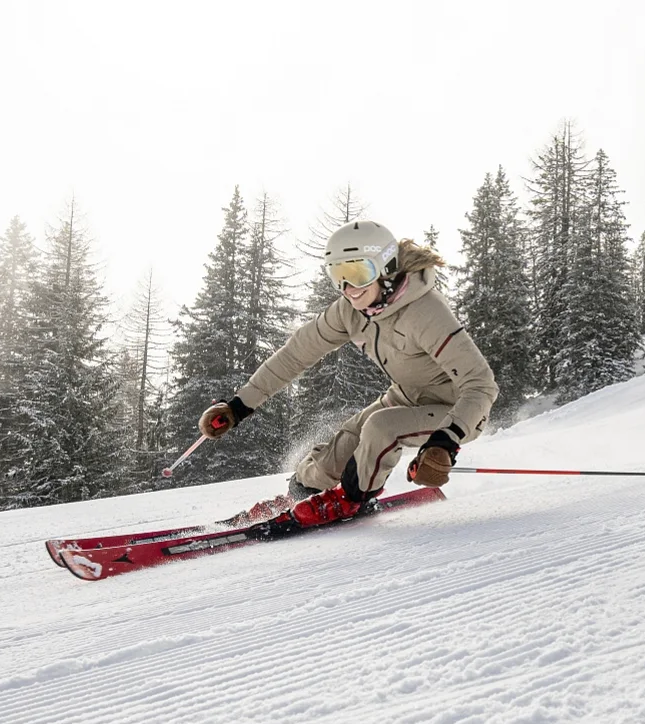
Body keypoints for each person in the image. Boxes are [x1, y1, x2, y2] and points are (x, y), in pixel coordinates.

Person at [196, 219, 499, 526]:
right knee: (333, 455)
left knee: (381, 428)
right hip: (407, 397)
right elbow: (296, 354)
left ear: (387, 268)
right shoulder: (349, 311)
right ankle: (301, 495)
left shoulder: (425, 311)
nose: (348, 289)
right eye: (338, 276)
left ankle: (350, 500)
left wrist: (445, 442)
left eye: (357, 273)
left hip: (457, 409)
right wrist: (238, 406)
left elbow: (481, 385)